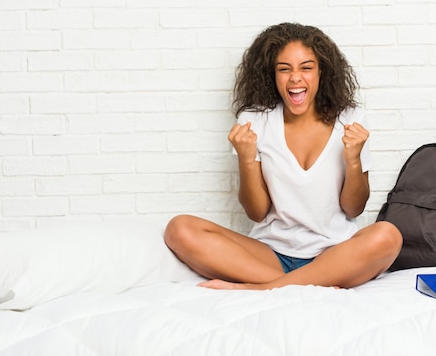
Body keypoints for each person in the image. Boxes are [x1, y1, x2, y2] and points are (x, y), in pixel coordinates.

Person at [164, 23, 402, 290]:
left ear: (322, 71)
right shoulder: (254, 120)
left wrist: (354, 160)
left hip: (334, 254)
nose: (295, 78)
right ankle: (307, 283)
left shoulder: (349, 119)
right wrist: (246, 159)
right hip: (271, 254)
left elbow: (353, 208)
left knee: (388, 236)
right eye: (284, 69)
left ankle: (259, 289)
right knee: (179, 229)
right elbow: (257, 212)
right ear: (272, 75)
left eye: (306, 67)